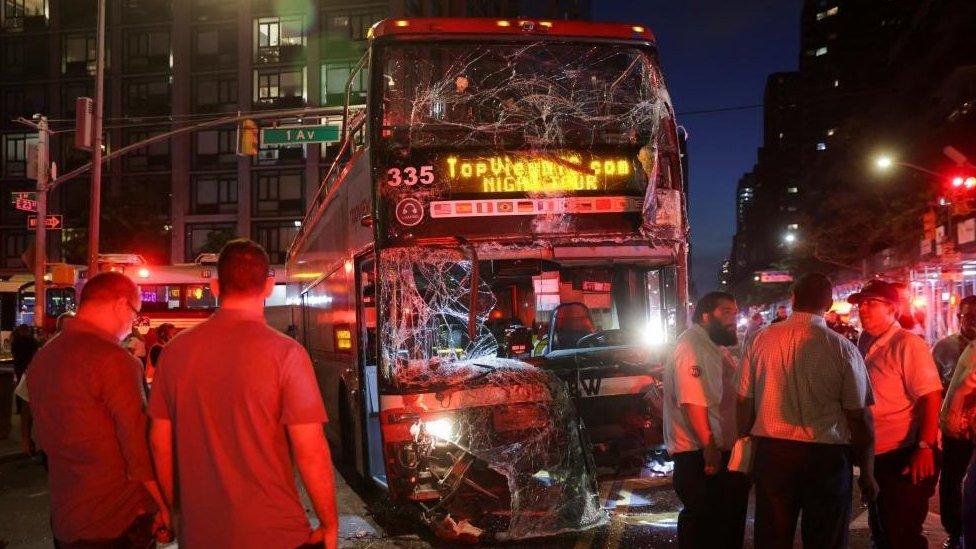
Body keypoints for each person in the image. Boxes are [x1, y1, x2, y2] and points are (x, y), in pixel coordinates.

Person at [149, 239, 338, 549]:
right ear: (268, 286)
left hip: (201, 534)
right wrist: (328, 523)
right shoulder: (287, 354)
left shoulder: (173, 353)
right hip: (276, 533)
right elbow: (312, 450)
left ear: (214, 286)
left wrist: (176, 511)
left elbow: (160, 443)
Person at [26, 271, 169, 547]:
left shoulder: (44, 358)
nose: (133, 324)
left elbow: (40, 437)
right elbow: (137, 449)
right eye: (135, 313)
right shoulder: (115, 361)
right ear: (120, 305)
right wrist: (164, 507)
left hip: (67, 515)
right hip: (118, 518)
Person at [737, 273, 876, 548]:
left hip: (774, 455)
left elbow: (743, 400)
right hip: (826, 457)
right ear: (829, 303)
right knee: (826, 538)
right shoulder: (843, 349)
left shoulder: (759, 341)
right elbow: (858, 415)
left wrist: (744, 446)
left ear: (793, 299)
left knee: (773, 537)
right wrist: (868, 472)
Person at [851, 279, 942, 549]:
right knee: (881, 532)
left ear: (892, 308)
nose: (862, 309)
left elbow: (930, 396)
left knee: (902, 536)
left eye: (871, 303)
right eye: (860, 304)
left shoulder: (907, 344)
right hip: (876, 455)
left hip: (904, 457)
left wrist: (924, 447)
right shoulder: (866, 341)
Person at [663, 291, 751, 548]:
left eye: (734, 312)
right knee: (704, 525)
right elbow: (693, 402)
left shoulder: (712, 345)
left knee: (722, 523)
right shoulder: (692, 346)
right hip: (699, 455)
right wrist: (710, 448)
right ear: (705, 315)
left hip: (715, 451)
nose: (733, 319)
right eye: (725, 312)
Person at [938, 296, 976, 549]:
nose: (972, 322)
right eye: (967, 316)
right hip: (955, 430)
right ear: (958, 317)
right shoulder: (944, 349)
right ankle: (954, 532)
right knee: (951, 479)